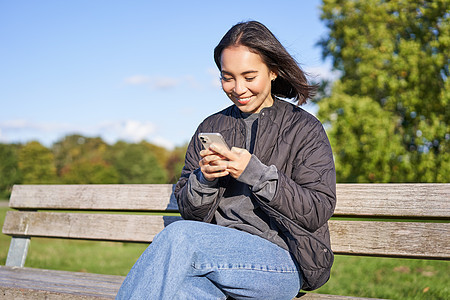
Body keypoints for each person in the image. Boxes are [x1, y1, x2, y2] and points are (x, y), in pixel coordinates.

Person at [116, 20, 336, 300]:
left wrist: (256, 174)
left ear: (273, 71)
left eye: (249, 76)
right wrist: (204, 180)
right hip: (214, 260)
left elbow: (317, 209)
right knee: (184, 293)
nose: (238, 88)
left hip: (281, 264)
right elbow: (191, 213)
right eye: (227, 77)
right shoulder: (211, 125)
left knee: (179, 235)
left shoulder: (304, 128)